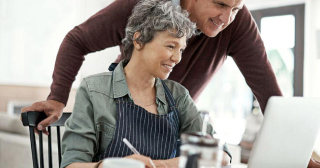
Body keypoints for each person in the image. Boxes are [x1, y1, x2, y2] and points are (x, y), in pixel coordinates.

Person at [21, 0, 320, 167]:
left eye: (236, 8)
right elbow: (77, 40)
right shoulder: (143, 12)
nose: (227, 18)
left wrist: (296, 149)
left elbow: (266, 90)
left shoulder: (180, 96)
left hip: (175, 119)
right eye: (220, 4)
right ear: (137, 39)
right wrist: (58, 97)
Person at [61, 1, 230, 168]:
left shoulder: (178, 96)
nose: (177, 58)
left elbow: (221, 155)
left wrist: (161, 165)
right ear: (139, 40)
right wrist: (111, 166)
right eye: (171, 46)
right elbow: (71, 165)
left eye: (181, 50)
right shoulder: (94, 90)